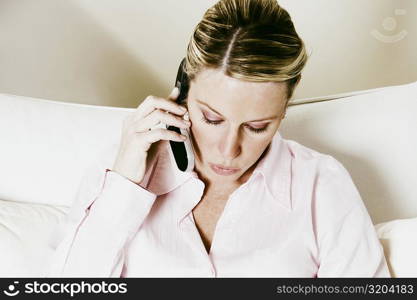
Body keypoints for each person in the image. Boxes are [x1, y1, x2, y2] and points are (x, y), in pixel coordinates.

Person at [45, 0, 390, 277]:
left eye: (257, 127)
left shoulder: (321, 185)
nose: (229, 150)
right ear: (181, 92)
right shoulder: (122, 174)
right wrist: (124, 186)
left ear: (285, 108)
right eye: (212, 118)